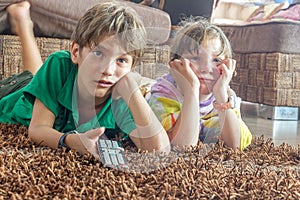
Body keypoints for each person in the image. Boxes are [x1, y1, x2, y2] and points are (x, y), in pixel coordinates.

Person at [0, 1, 170, 158]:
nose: (108, 70)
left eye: (122, 60)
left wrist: (133, 94)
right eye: (98, 53)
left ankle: (23, 22)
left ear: (132, 68)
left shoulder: (123, 94)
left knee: (37, 75)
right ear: (75, 52)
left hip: (43, 82)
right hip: (12, 91)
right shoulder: (59, 64)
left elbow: (159, 150)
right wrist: (72, 142)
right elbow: (37, 130)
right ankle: (23, 23)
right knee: (34, 77)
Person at [148, 17, 252, 150]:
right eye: (196, 58)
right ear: (176, 63)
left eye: (216, 60)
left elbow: (235, 146)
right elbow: (183, 147)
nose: (206, 68)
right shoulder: (164, 94)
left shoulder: (225, 94)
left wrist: (221, 94)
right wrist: (192, 90)